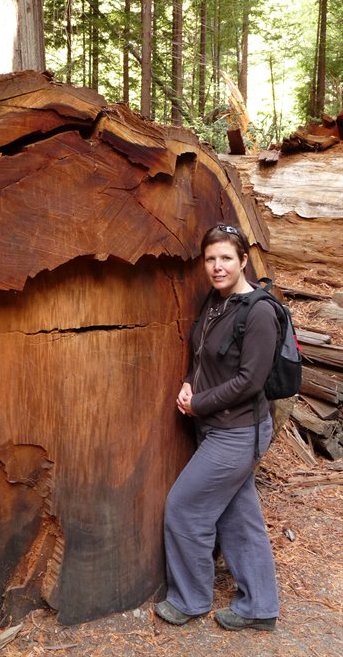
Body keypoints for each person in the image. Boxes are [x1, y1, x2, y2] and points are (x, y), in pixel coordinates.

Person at [154, 223, 279, 632]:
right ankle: (260, 607)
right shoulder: (216, 301)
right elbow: (203, 352)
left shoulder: (258, 311)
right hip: (217, 428)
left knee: (184, 509)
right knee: (238, 518)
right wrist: (190, 380)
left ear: (244, 260)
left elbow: (251, 381)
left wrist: (198, 403)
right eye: (211, 259)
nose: (217, 266)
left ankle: (189, 600)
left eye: (226, 258)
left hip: (238, 433)